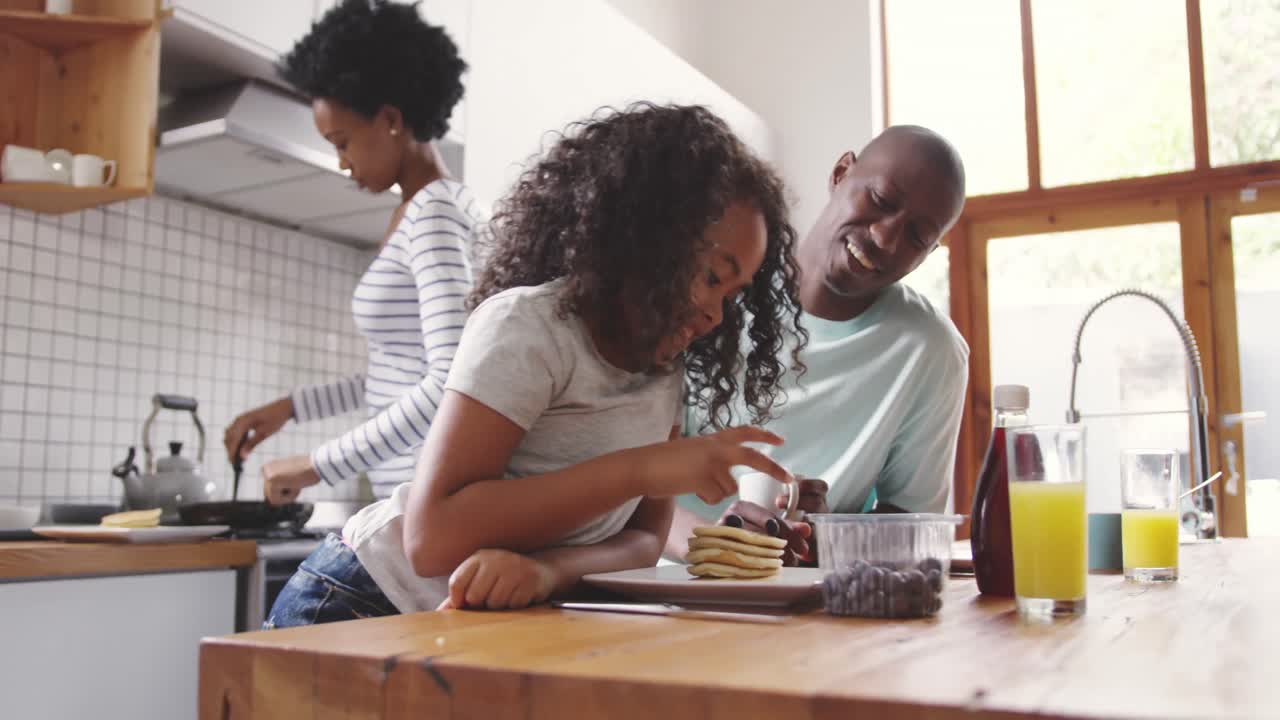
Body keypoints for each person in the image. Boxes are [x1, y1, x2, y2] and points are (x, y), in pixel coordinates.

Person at [263, 103, 808, 627]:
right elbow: (431, 540)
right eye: (713, 277)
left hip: (474, 621)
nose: (716, 315)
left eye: (734, 295)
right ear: (645, 240)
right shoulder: (530, 330)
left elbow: (644, 541)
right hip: (364, 598)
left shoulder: (663, 376)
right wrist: (642, 469)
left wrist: (547, 571)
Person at [666, 125, 969, 564]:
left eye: (917, 237)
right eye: (881, 201)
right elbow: (627, 479)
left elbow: (910, 525)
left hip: (810, 609)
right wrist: (719, 547)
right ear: (842, 172)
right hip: (661, 591)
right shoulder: (717, 288)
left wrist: (827, 536)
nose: (885, 239)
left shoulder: (930, 350)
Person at [221, 0, 486, 503]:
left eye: (341, 141)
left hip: (422, 496)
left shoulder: (434, 215)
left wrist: (316, 465)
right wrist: (293, 407)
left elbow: (454, 382)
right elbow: (400, 372)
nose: (341, 163)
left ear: (389, 118)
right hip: (409, 495)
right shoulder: (419, 211)